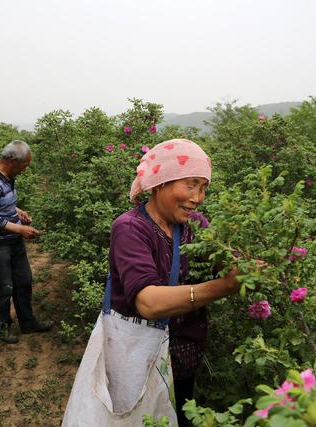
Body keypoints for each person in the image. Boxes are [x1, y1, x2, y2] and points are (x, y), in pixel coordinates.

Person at [108, 139, 244, 426]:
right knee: (138, 415)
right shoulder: (130, 228)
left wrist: (247, 268)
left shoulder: (195, 224)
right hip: (139, 353)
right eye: (190, 184)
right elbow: (148, 302)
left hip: (183, 352)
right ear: (159, 183)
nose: (197, 197)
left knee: (178, 411)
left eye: (203, 188)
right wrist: (222, 286)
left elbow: (223, 259)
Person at [0, 140, 53, 344]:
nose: (25, 170)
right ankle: (2, 327)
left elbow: (1, 205)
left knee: (23, 281)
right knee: (3, 287)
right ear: (12, 161)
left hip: (12, 240)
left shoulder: (7, 177)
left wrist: (18, 212)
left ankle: (27, 323)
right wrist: (21, 229)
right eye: (24, 166)